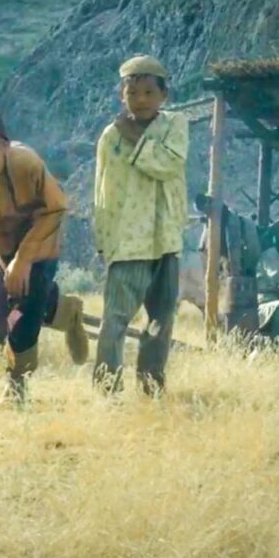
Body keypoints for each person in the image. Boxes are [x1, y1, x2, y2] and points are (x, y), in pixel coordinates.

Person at [0, 105, 86, 404]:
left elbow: (57, 209)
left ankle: (17, 381)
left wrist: (24, 259)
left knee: (25, 305)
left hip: (40, 238)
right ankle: (66, 311)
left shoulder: (27, 162)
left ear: (5, 146)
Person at [92, 55, 188, 396]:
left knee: (161, 321)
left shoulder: (175, 125)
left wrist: (135, 137)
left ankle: (152, 387)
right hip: (127, 240)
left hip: (165, 237)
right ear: (123, 95)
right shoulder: (110, 136)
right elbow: (101, 189)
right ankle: (107, 391)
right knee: (115, 320)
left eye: (149, 92)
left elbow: (168, 164)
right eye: (133, 93)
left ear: (164, 96)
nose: (141, 100)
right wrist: (103, 237)